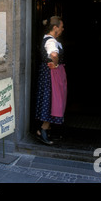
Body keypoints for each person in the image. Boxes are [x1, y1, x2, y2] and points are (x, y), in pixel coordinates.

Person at [35, 16, 67, 145]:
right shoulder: (50, 41)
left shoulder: (51, 40)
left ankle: (45, 129)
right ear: (55, 28)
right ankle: (43, 130)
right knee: (51, 100)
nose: (62, 29)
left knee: (51, 100)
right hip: (51, 74)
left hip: (50, 74)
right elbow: (54, 54)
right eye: (61, 27)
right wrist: (56, 64)